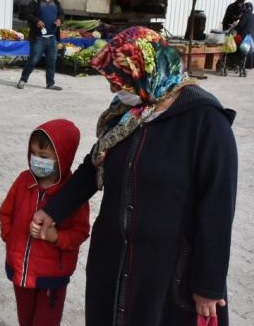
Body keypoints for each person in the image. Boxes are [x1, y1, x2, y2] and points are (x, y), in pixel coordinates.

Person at [31, 27, 238, 326]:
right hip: (113, 259)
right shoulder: (127, 115)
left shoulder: (206, 122)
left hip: (167, 270)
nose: (115, 91)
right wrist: (54, 210)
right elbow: (93, 166)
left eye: (121, 81)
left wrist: (208, 284)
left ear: (147, 69)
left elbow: (218, 208)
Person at [0, 119, 89, 326]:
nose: (36, 160)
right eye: (33, 154)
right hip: (20, 272)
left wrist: (55, 237)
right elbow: (5, 213)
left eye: (44, 156)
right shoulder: (23, 181)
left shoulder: (72, 194)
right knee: (25, 320)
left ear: (61, 158)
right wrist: (10, 238)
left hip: (52, 277)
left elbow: (80, 232)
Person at [17, 0, 64, 91]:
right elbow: (28, 13)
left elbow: (62, 14)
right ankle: (23, 80)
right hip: (39, 37)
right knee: (33, 60)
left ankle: (50, 83)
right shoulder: (35, 1)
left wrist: (60, 20)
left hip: (52, 38)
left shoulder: (55, 2)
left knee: (52, 61)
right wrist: (36, 21)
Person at [234, 2, 254, 69]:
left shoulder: (244, 15)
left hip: (244, 34)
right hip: (252, 34)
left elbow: (241, 25)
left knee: (243, 49)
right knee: (250, 50)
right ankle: (248, 65)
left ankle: (240, 64)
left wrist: (235, 26)